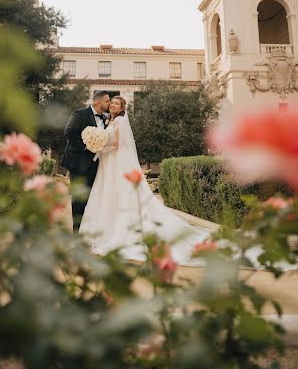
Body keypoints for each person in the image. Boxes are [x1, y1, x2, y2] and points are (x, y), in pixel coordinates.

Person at [79, 96, 209, 263]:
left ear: (121, 109)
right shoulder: (107, 122)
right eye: (111, 103)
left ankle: (119, 233)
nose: (112, 105)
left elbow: (117, 144)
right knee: (106, 192)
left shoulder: (120, 122)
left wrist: (99, 146)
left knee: (119, 192)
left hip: (115, 162)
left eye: (116, 104)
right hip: (107, 163)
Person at [61, 91, 110, 231]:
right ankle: (76, 233)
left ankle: (88, 231)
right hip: (78, 164)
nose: (109, 103)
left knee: (92, 198)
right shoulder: (80, 113)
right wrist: (87, 146)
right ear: (98, 101)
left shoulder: (106, 118)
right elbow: (69, 132)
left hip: (96, 165)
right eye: (107, 101)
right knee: (79, 200)